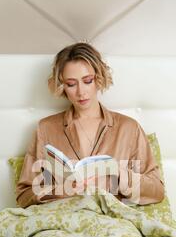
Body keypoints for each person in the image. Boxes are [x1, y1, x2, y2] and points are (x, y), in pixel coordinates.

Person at [16, 42, 165, 207]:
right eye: (71, 84)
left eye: (87, 81)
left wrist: (117, 173)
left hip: (112, 224)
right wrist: (64, 190)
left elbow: (156, 191)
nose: (81, 92)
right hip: (62, 224)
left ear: (99, 79)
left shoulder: (128, 128)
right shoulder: (46, 129)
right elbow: (24, 195)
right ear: (62, 86)